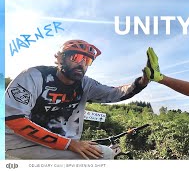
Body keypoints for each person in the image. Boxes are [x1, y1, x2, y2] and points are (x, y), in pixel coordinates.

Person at [5, 39, 149, 160]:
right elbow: (14, 120)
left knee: (100, 152)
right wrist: (70, 144)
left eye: (87, 60)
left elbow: (115, 93)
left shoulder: (85, 84)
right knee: (104, 154)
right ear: (60, 58)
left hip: (60, 144)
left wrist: (142, 82)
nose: (82, 64)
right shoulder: (34, 76)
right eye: (76, 58)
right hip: (21, 143)